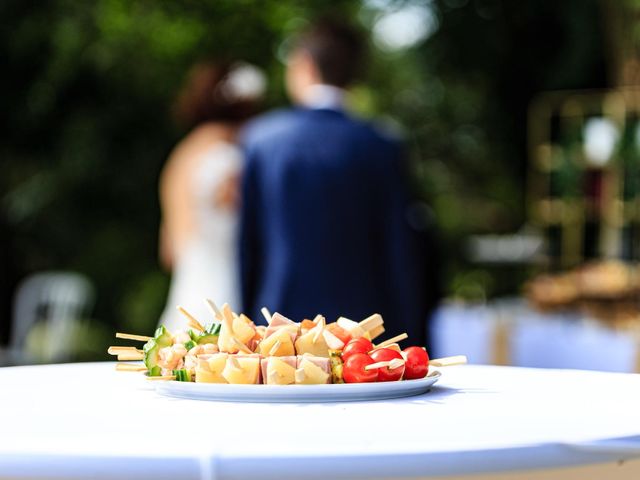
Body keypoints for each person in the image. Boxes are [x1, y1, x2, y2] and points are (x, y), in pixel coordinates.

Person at [239, 19, 438, 345]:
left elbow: (249, 247)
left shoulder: (262, 142)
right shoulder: (381, 145)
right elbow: (400, 250)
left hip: (278, 326)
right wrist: (413, 338)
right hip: (365, 333)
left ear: (304, 64)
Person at [158, 60, 265, 332]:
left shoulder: (182, 154)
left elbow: (168, 250)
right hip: (224, 286)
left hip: (190, 282)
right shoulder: (228, 159)